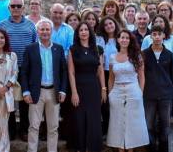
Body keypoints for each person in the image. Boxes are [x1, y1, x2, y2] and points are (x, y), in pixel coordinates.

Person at [20, 20, 67, 152]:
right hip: (36, 92)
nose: (45, 32)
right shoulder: (30, 48)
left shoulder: (58, 48)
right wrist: (25, 92)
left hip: (54, 91)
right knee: (34, 126)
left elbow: (63, 71)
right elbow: (24, 72)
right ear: (37, 31)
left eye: (47, 29)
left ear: (51, 31)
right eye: (42, 29)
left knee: (53, 127)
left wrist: (63, 90)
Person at [106, 30, 149, 151]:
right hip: (117, 92)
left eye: (127, 38)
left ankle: (130, 149)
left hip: (133, 91)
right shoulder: (112, 57)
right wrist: (110, 94)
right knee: (117, 122)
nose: (124, 40)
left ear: (130, 41)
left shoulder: (137, 56)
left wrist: (140, 93)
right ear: (118, 40)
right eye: (122, 37)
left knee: (132, 124)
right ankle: (120, 149)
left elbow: (141, 76)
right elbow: (111, 78)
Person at [68, 22, 106, 152]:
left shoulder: (98, 49)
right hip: (78, 87)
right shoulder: (73, 49)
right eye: (81, 30)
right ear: (77, 34)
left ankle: (93, 148)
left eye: (86, 29)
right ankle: (80, 148)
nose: (83, 32)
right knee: (79, 119)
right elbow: (71, 73)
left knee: (94, 118)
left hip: (94, 88)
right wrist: (74, 92)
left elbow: (100, 71)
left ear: (90, 32)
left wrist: (103, 89)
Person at [142, 25, 173, 152]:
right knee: (148, 125)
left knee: (165, 125)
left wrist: (171, 93)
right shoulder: (144, 54)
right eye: (154, 34)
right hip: (148, 95)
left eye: (159, 34)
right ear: (150, 36)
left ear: (164, 36)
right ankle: (151, 149)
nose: (157, 37)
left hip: (165, 95)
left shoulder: (169, 54)